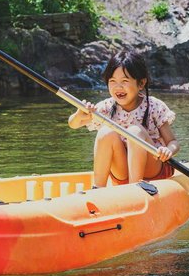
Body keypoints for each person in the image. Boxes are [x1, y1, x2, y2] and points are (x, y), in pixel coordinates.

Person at [68, 49, 180, 188]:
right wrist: (79, 115)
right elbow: (73, 124)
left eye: (124, 81)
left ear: (141, 83)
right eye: (112, 81)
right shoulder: (106, 107)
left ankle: (135, 188)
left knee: (135, 131)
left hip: (153, 169)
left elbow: (173, 142)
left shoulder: (154, 106)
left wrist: (168, 150)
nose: (118, 87)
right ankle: (98, 188)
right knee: (105, 132)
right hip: (122, 172)